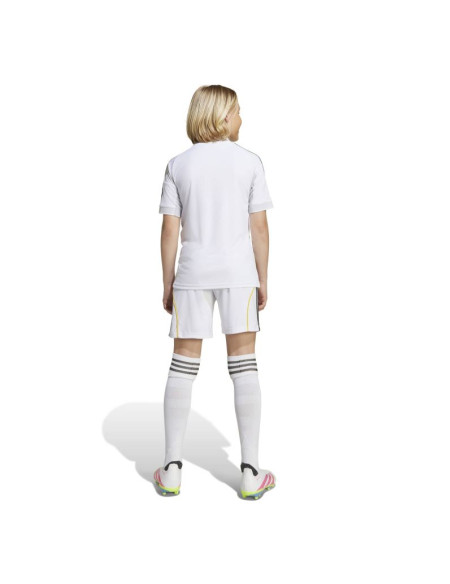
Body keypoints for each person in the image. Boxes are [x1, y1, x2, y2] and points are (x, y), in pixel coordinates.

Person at [153, 85, 276, 500]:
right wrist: (263, 277)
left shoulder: (177, 165)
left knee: (182, 366)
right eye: (238, 111)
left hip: (192, 274)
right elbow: (259, 228)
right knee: (244, 366)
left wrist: (168, 281)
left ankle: (171, 469)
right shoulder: (250, 162)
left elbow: (169, 230)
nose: (242, 118)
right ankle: (251, 471)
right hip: (239, 274)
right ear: (223, 117)